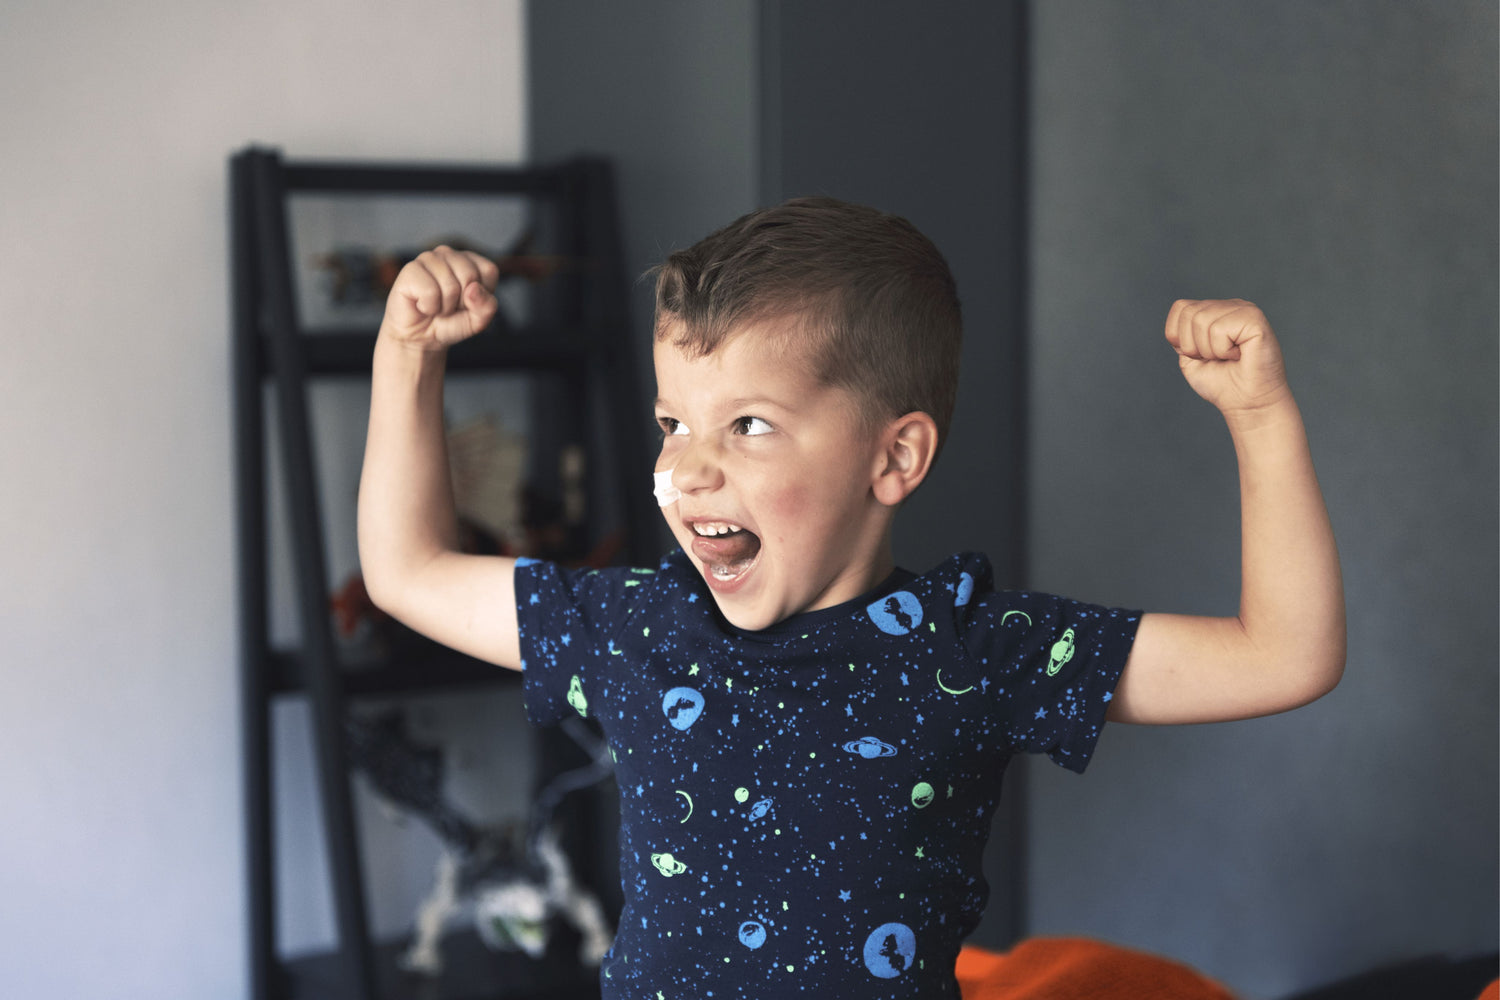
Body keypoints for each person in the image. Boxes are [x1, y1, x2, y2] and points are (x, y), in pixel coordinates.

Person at [357, 198, 1345, 998]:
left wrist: (1259, 417)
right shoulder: (629, 626)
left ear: (895, 457)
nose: (687, 470)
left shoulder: (974, 651)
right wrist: (407, 359)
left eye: (748, 425)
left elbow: (1284, 655)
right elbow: (407, 572)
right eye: (673, 423)